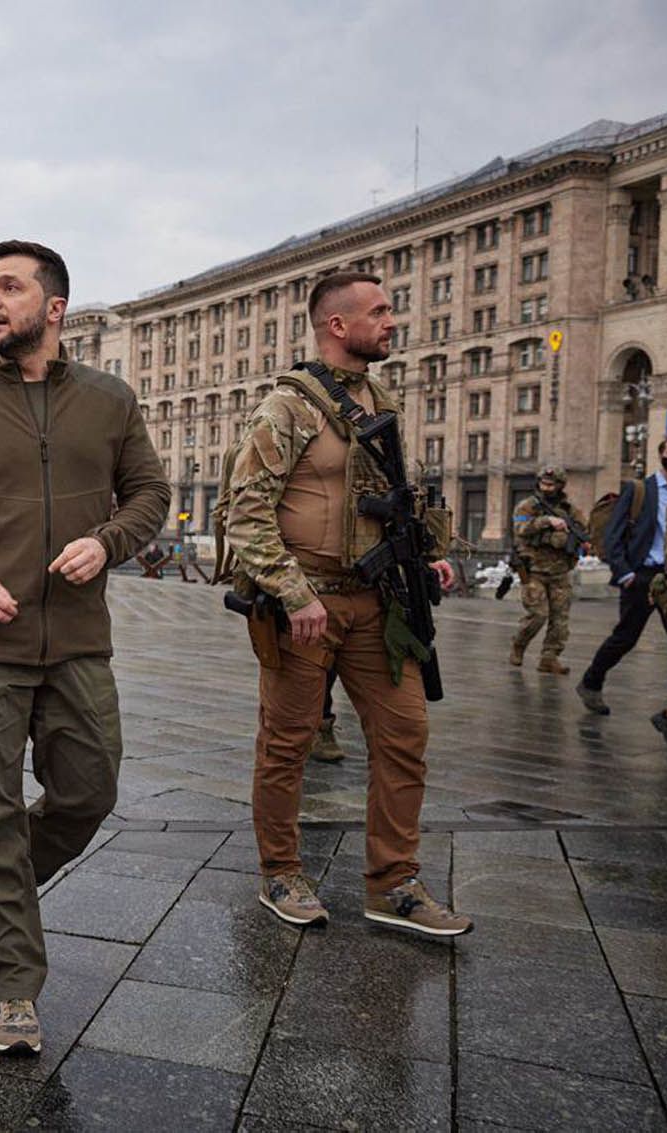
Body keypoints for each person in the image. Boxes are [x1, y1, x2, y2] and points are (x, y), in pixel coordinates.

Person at [0, 240, 169, 1056]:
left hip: (78, 639)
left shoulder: (109, 400)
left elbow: (150, 492)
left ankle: (0, 886)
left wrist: (108, 540)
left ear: (53, 308)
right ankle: (12, 985)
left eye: (8, 287)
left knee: (88, 791)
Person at [224, 270, 469, 938]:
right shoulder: (288, 406)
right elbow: (243, 512)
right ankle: (280, 871)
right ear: (337, 325)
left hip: (376, 601)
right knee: (288, 743)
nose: (392, 322)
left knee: (404, 736)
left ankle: (392, 883)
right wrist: (291, 592)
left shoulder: (378, 395)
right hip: (303, 608)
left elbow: (387, 496)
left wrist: (424, 553)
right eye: (380, 311)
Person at [578, 437, 667, 750]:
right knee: (626, 636)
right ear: (661, 456)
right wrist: (626, 574)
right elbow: (614, 533)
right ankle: (591, 681)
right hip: (642, 576)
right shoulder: (640, 490)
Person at [509, 465, 585, 674]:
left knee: (560, 620)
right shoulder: (527, 506)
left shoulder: (569, 510)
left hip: (560, 571)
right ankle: (519, 644)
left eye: (551, 484)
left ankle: (549, 658)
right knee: (538, 614)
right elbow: (520, 529)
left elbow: (582, 531)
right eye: (544, 483)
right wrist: (547, 521)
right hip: (533, 570)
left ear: (560, 486)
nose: (547, 487)